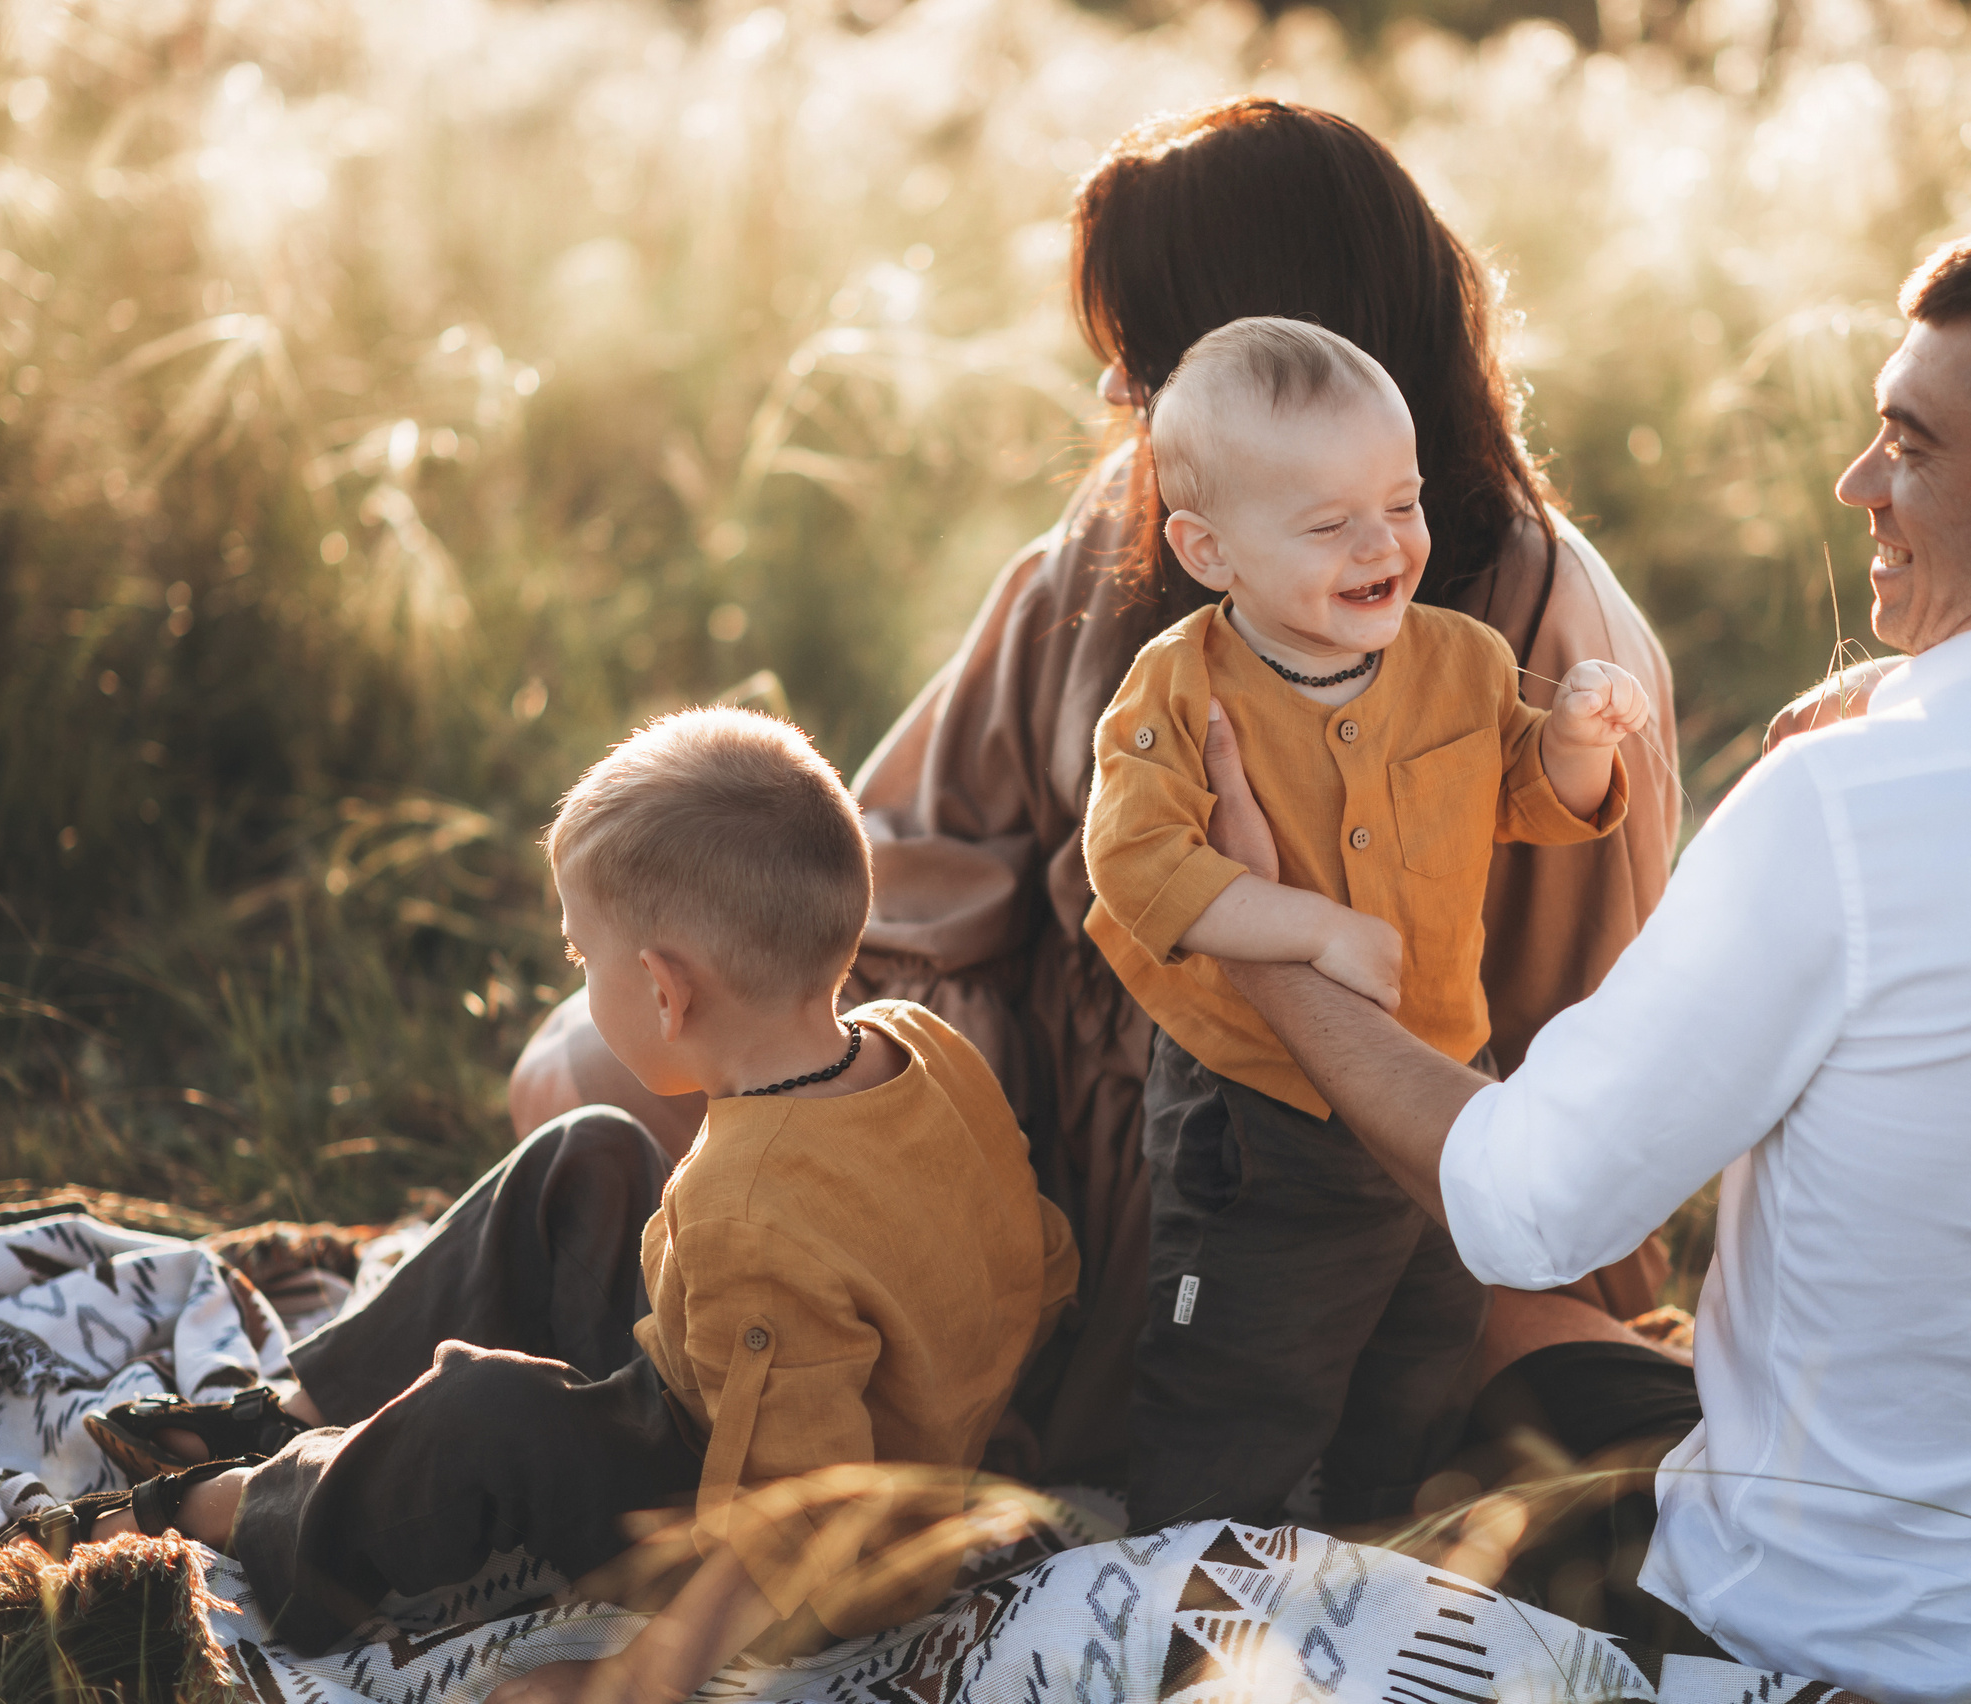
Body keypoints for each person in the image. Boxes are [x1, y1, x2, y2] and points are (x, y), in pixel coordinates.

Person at [1194, 198, 1971, 1700]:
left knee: (1478, 1316)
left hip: (1858, 1618)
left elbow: (1524, 1206)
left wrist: (1260, 936)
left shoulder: (1841, 811)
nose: (1857, 480)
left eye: (1912, 445)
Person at [510, 97, 1691, 1487]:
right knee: (586, 1074)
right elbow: (908, 849)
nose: (1116, 394)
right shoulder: (1126, 534)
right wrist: (881, 1089)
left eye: (1143, 349)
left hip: (1384, 1168)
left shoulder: (1544, 635)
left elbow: (1586, 1049)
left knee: (1487, 1370)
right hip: (1054, 1125)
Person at [44, 709, 1078, 1677]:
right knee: (590, 1149)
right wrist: (958, 1403)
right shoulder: (921, 1042)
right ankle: (297, 1411)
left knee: (486, 1411)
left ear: (666, 994)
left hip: (727, 1510)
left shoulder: (743, 1216)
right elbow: (1036, 1251)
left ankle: (242, 1508)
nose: (578, 980)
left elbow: (795, 1527)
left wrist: (634, 1674)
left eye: (583, 958)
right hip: (761, 1383)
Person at [1077, 318, 1651, 1530]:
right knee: (1241, 1355)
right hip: (1259, 1112)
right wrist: (1302, 926)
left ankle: (1374, 1534)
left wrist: (1573, 744)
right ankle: (1194, 1563)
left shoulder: (1460, 661)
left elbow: (1525, 797)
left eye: (1400, 503)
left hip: (1443, 1079)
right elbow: (1132, 859)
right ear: (1208, 550)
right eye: (1329, 524)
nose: (1382, 544)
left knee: (1427, 1334)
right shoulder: (1178, 689)